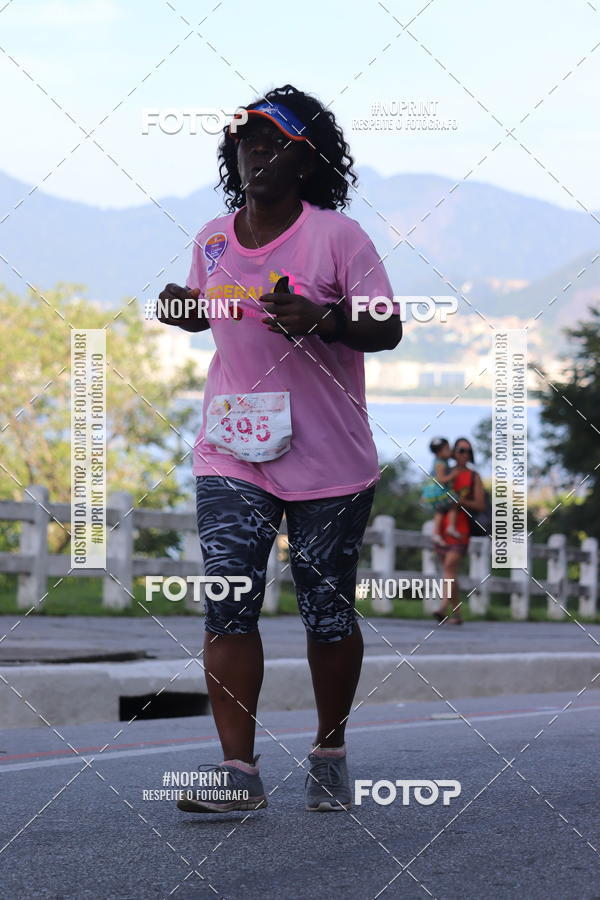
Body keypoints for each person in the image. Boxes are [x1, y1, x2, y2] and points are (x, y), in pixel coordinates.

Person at [157, 84, 401, 813]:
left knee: (326, 613)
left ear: (307, 160)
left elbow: (386, 327)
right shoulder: (212, 237)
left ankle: (329, 747)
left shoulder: (337, 238)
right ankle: (238, 772)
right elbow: (210, 313)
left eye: (276, 144)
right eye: (248, 141)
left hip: (329, 460)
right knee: (228, 597)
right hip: (232, 449)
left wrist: (325, 319)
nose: (257, 153)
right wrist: (184, 311)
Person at [432, 437, 485, 625]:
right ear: (454, 452)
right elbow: (434, 495)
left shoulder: (473, 476)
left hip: (460, 529)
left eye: (468, 451)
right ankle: (458, 614)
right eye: (461, 450)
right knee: (449, 572)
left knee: (449, 568)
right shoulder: (445, 472)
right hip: (443, 526)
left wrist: (460, 501)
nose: (464, 454)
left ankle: (442, 607)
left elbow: (480, 504)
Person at [421, 437, 461, 545]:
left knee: (441, 511)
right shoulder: (440, 463)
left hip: (436, 491)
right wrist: (453, 475)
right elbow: (441, 479)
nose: (450, 451)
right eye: (447, 449)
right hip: (438, 491)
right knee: (452, 504)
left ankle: (437, 533)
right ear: (439, 452)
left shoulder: (442, 460)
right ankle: (449, 527)